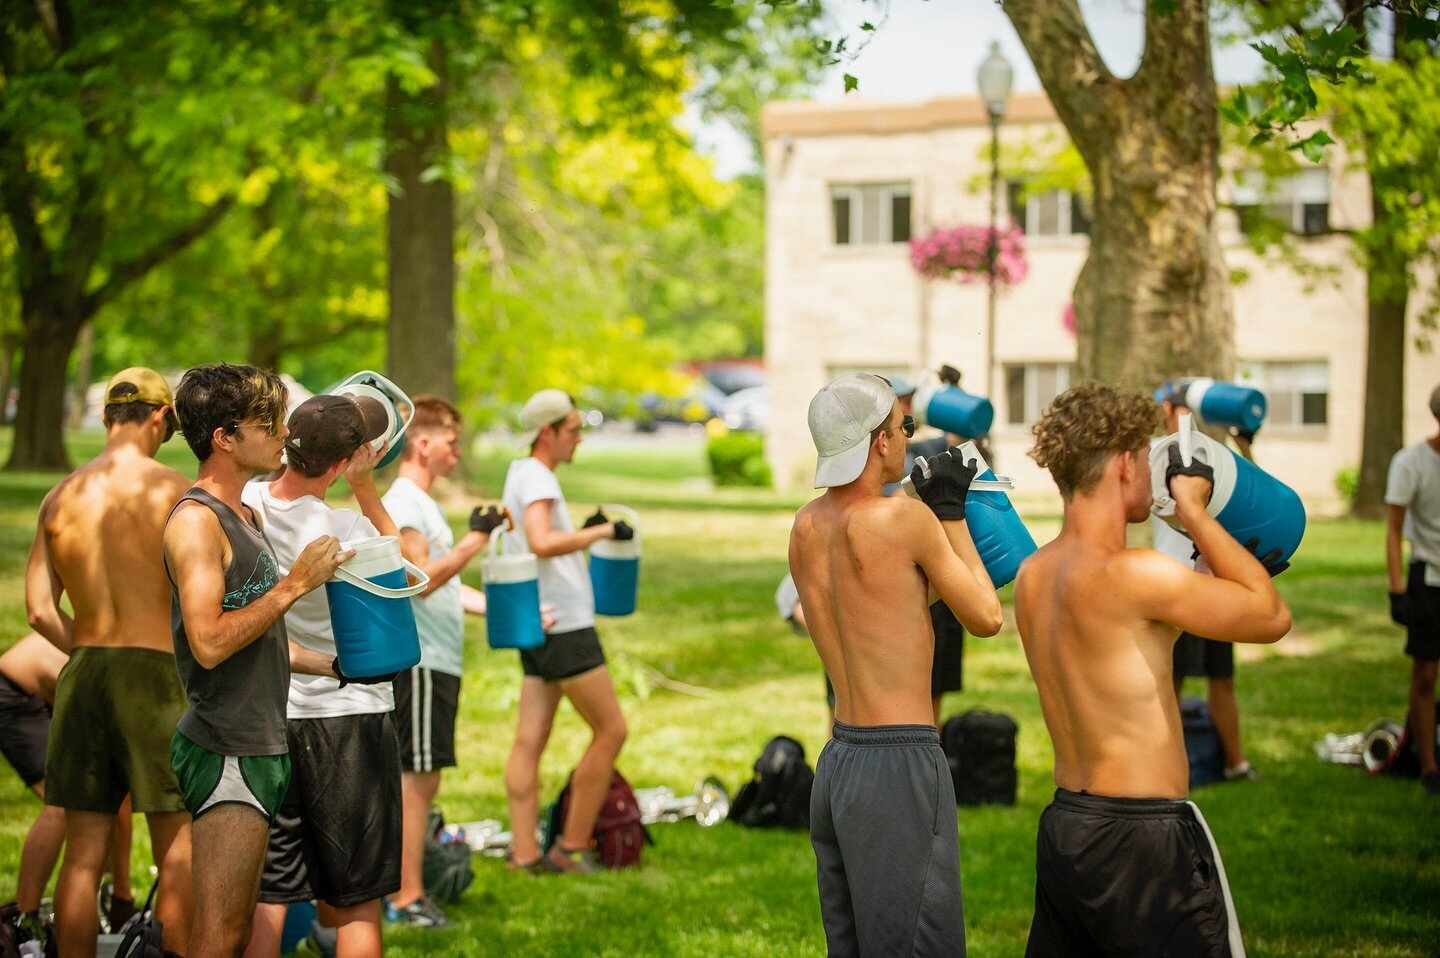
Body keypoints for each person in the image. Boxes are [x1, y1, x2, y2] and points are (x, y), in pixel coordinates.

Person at [1015, 382, 1290, 956]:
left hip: (1068, 826)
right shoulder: (1136, 574)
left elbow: (1139, 638)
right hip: (1144, 840)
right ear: (1123, 465)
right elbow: (1271, 615)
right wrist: (1192, 508)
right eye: (1145, 455)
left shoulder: (1034, 576)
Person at [789, 372, 1003, 956]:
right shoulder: (904, 523)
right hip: (899, 761)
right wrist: (952, 512)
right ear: (879, 442)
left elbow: (891, 599)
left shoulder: (806, 528)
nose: (910, 437)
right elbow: (986, 616)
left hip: (839, 762)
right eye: (902, 427)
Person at [164, 363, 350, 958]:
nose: (283, 434)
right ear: (223, 437)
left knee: (238, 931)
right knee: (219, 936)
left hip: (259, 743)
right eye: (266, 422)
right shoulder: (197, 523)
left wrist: (337, 665)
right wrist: (295, 585)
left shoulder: (245, 514)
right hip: (226, 747)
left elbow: (259, 637)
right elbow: (211, 641)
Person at [25, 366, 194, 956]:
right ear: (159, 418)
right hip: (153, 675)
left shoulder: (60, 495)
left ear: (104, 417)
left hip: (84, 670)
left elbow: (39, 612)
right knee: (176, 842)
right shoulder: (176, 492)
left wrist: (91, 650)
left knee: (83, 851)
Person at [239, 394, 411, 958]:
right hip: (348, 716)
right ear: (345, 462)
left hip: (270, 714)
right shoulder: (346, 528)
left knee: (271, 891)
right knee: (359, 896)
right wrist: (366, 486)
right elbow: (411, 579)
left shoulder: (246, 502)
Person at [381, 396, 505, 925]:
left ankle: (404, 889)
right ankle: (405, 896)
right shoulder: (407, 504)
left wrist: (506, 607)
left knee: (421, 778)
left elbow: (446, 588)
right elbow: (421, 582)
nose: (457, 453)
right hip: (423, 662)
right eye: (452, 443)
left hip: (438, 660)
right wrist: (477, 539)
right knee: (417, 779)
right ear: (422, 443)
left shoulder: (421, 504)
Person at [501, 389, 631, 875]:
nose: (579, 438)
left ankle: (524, 853)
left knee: (529, 740)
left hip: (538, 619)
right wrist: (600, 533)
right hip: (565, 625)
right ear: (546, 433)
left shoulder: (520, 473)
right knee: (612, 730)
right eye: (573, 430)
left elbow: (542, 536)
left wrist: (581, 529)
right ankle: (571, 846)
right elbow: (541, 540)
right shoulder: (538, 476)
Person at [1155, 383, 1260, 781]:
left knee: (1222, 677)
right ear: (1167, 408)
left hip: (1213, 577)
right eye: (1180, 407)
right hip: (1176, 582)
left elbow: (1251, 487)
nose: (1187, 415)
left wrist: (1243, 442)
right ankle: (1166, 763)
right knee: (1173, 678)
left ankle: (1236, 763)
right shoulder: (1157, 451)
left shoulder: (1214, 453)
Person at [0, 633, 135, 941]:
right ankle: (23, 919)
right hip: (12, 694)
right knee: (62, 804)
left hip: (47, 695)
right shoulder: (113, 666)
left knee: (115, 795)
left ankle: (119, 901)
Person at [886, 372, 968, 728]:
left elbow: (963, 440)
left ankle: (932, 748)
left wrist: (953, 395)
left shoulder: (929, 447)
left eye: (910, 401)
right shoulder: (887, 457)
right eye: (900, 402)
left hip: (937, 571)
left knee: (935, 683)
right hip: (900, 575)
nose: (907, 409)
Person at [1384, 383, 1440, 795]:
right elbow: (1393, 530)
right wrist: (1397, 591)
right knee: (1425, 674)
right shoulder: (1411, 463)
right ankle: (1427, 765)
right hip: (1429, 580)